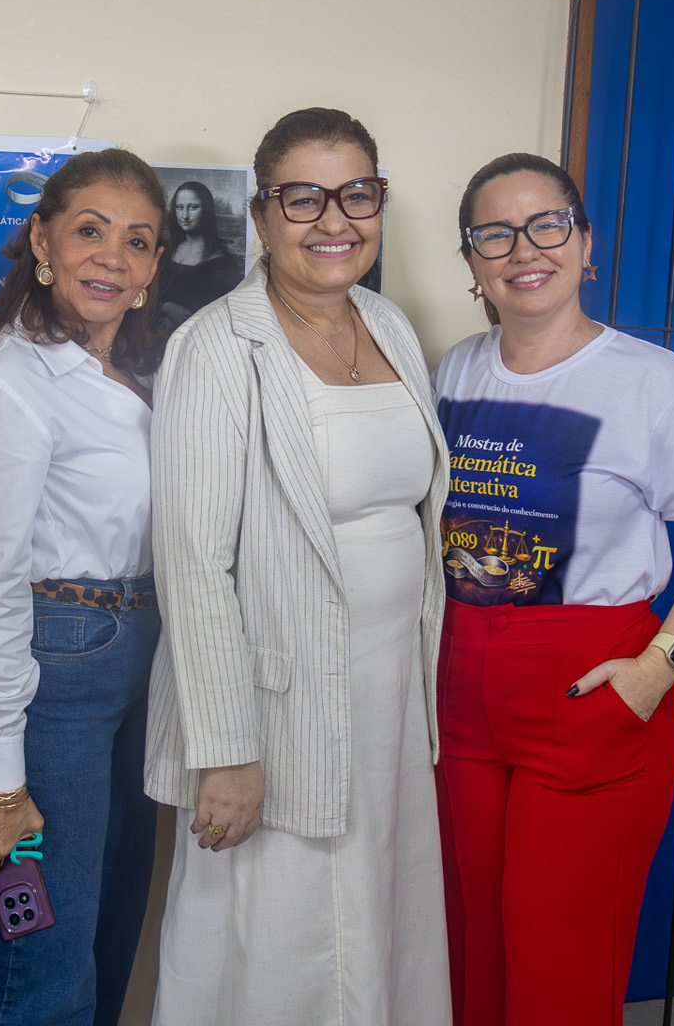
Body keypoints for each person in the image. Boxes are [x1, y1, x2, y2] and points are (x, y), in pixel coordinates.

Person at [433, 154, 674, 1026]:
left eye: (548, 225)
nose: (523, 249)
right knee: (470, 953)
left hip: (589, 693)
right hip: (460, 699)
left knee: (561, 964)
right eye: (494, 234)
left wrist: (661, 668)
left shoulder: (654, 382)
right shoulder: (453, 371)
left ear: (586, 244)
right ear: (471, 262)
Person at [146, 108, 452, 1026]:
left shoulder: (391, 326)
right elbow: (193, 565)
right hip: (273, 705)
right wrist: (227, 752)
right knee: (279, 937)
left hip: (390, 692)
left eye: (357, 194)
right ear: (262, 216)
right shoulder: (216, 347)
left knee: (381, 911)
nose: (335, 220)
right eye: (303, 198)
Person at [0, 148, 169, 1026]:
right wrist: (3, 785)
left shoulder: (138, 376)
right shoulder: (15, 381)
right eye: (90, 231)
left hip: (141, 660)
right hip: (57, 670)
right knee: (43, 946)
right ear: (42, 241)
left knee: (109, 926)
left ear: (153, 266)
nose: (113, 257)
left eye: (137, 241)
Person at [154, 179, 243, 324]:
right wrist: (166, 308)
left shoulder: (222, 262)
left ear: (206, 210)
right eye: (180, 207)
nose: (185, 216)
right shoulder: (165, 251)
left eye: (193, 207)